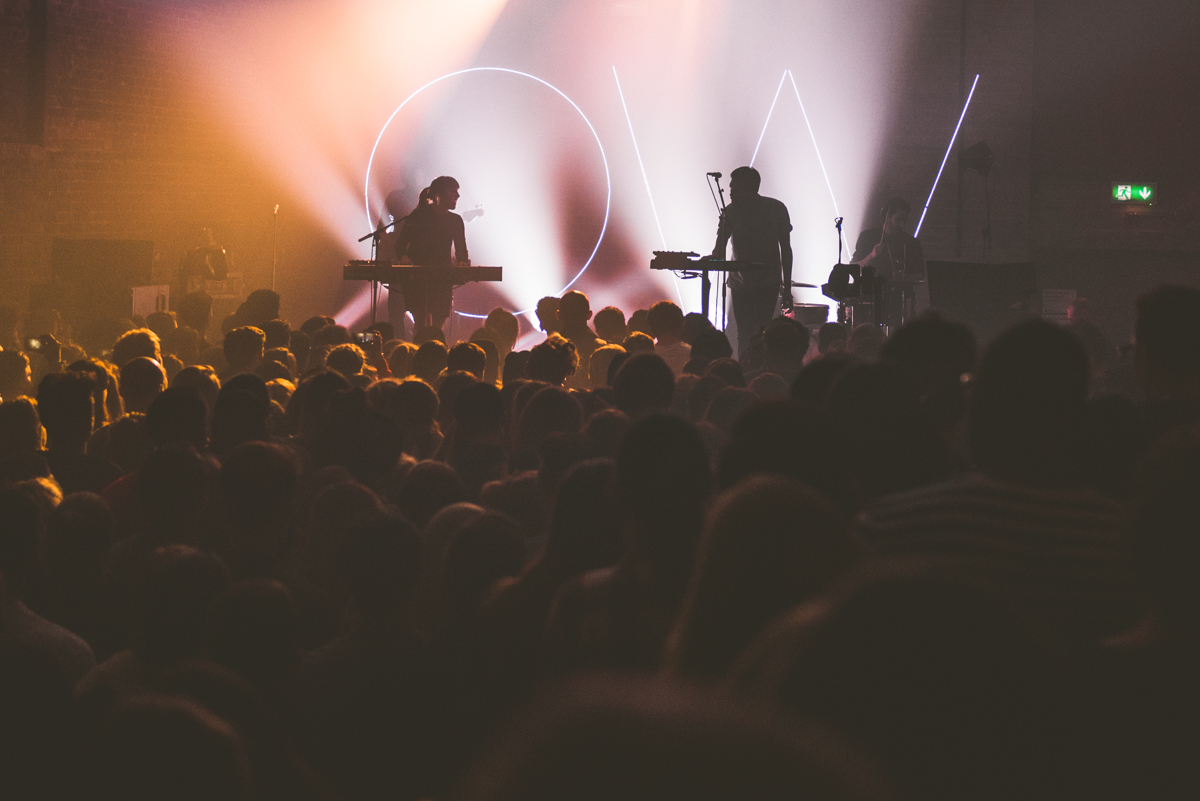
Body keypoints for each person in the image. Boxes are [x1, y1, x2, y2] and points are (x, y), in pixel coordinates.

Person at [710, 166, 793, 358]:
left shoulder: (776, 209)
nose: (730, 193)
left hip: (766, 281)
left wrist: (786, 287)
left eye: (735, 189)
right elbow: (719, 250)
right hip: (742, 282)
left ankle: (752, 369)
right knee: (747, 332)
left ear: (750, 189)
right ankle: (749, 369)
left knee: (758, 331)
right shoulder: (729, 212)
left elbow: (786, 250)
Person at [390, 177, 470, 336]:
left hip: (443, 277)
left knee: (439, 322)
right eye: (453, 192)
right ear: (439, 194)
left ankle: (434, 349)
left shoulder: (455, 220)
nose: (457, 196)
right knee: (420, 320)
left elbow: (462, 251)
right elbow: (400, 245)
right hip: (418, 279)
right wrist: (404, 257)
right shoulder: (419, 215)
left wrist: (462, 263)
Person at [850, 198, 926, 328]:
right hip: (870, 297)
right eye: (898, 220)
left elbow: (920, 274)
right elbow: (854, 267)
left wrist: (904, 277)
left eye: (904, 220)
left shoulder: (911, 243)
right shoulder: (868, 236)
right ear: (887, 216)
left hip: (899, 300)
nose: (902, 225)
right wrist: (871, 255)